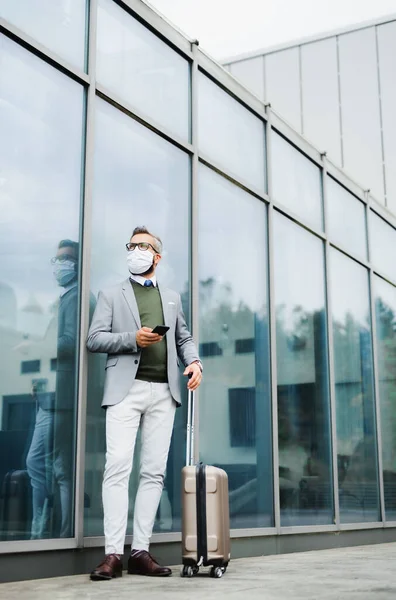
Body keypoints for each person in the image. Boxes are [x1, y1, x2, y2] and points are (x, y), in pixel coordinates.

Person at [87, 226, 202, 580]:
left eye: (143, 246)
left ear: (157, 256)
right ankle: (111, 555)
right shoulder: (111, 295)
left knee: (152, 472)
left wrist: (194, 361)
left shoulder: (171, 297)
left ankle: (140, 551)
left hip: (163, 394)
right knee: (117, 468)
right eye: (132, 245)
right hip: (126, 390)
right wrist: (131, 339)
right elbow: (94, 339)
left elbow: (183, 337)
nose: (136, 249)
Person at [26, 239, 79, 539]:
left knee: (56, 467)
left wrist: (39, 346)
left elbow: (69, 343)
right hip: (48, 397)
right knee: (42, 463)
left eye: (67, 259)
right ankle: (44, 529)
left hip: (61, 400)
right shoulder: (63, 299)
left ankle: (61, 535)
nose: (60, 265)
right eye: (57, 259)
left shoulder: (75, 299)